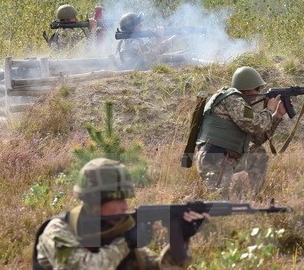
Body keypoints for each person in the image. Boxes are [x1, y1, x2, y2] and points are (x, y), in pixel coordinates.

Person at [33, 158, 207, 269]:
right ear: (95, 199)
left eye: (125, 199)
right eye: (118, 199)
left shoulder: (117, 231)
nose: (125, 206)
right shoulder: (58, 231)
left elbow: (159, 267)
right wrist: (127, 242)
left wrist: (180, 238)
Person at [194, 66, 287, 199]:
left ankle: (254, 198)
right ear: (247, 88)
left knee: (258, 153)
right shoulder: (232, 99)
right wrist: (269, 109)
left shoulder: (239, 104)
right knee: (219, 203)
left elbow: (258, 138)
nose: (259, 92)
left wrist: (277, 115)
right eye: (257, 88)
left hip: (228, 158)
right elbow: (257, 124)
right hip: (215, 160)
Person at [116, 12, 182, 70]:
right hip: (136, 75)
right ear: (131, 27)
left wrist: (175, 38)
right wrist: (159, 38)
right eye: (138, 24)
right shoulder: (132, 43)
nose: (141, 25)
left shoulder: (128, 41)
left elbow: (149, 49)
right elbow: (149, 59)